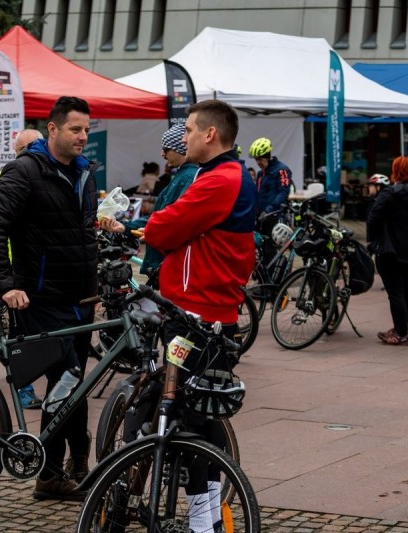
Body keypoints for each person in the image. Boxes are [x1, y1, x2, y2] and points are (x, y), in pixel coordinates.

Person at [143, 99, 256, 533]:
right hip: (203, 308)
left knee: (190, 424)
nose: (183, 136)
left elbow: (162, 229)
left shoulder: (220, 180)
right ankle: (205, 519)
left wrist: (160, 228)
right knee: (199, 421)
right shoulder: (221, 175)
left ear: (211, 134)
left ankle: (203, 523)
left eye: (189, 129)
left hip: (196, 314)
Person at [0, 97, 97, 501]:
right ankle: (49, 475)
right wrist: (5, 284)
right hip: (41, 298)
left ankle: (78, 464)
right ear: (53, 129)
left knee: (77, 381)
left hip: (82, 297)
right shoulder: (25, 171)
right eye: (75, 129)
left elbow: (81, 230)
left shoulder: (83, 173)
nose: (83, 137)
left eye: (86, 129)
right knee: (66, 381)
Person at [0, 128, 45, 410]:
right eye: (21, 151)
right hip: (10, 268)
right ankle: (23, 388)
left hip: (25, 266)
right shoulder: (9, 178)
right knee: (19, 333)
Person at [100, 123, 198, 280]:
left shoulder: (186, 178)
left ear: (180, 149)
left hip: (169, 262)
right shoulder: (182, 176)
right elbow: (160, 216)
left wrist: (133, 229)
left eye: (166, 149)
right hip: (167, 260)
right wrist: (125, 227)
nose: (162, 154)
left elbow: (172, 220)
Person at [367, 156, 408, 346]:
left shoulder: (389, 193)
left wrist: (372, 239)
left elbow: (373, 217)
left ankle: (401, 334)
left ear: (396, 171)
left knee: (395, 293)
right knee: (407, 291)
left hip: (390, 249)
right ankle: (401, 328)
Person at [249, 137, 292, 215]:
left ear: (268, 156)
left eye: (260, 159)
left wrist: (268, 211)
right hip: (260, 216)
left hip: (274, 215)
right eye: (256, 159)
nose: (258, 162)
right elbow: (258, 194)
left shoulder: (282, 170)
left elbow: (283, 193)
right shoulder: (260, 173)